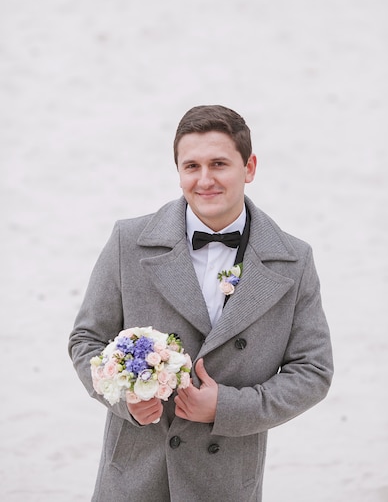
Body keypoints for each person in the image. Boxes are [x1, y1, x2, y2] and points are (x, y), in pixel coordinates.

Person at [69, 104, 333, 502]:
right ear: (178, 172)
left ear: (249, 168)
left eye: (219, 164)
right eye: (191, 166)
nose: (205, 179)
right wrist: (126, 398)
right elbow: (86, 340)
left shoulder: (294, 260)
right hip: (135, 475)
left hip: (225, 478)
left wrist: (226, 407)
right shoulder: (128, 241)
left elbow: (313, 371)